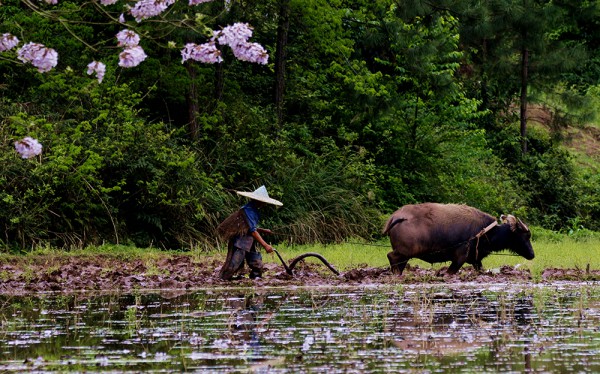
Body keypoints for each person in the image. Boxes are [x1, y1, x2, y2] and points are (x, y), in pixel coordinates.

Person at [217, 185, 283, 280]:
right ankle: (223, 279)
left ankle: (255, 281)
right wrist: (265, 245)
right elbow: (252, 231)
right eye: (263, 202)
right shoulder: (248, 210)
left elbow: (248, 227)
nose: (264, 204)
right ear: (257, 200)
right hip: (241, 242)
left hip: (249, 241)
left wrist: (262, 230)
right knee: (233, 265)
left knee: (257, 265)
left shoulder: (254, 210)